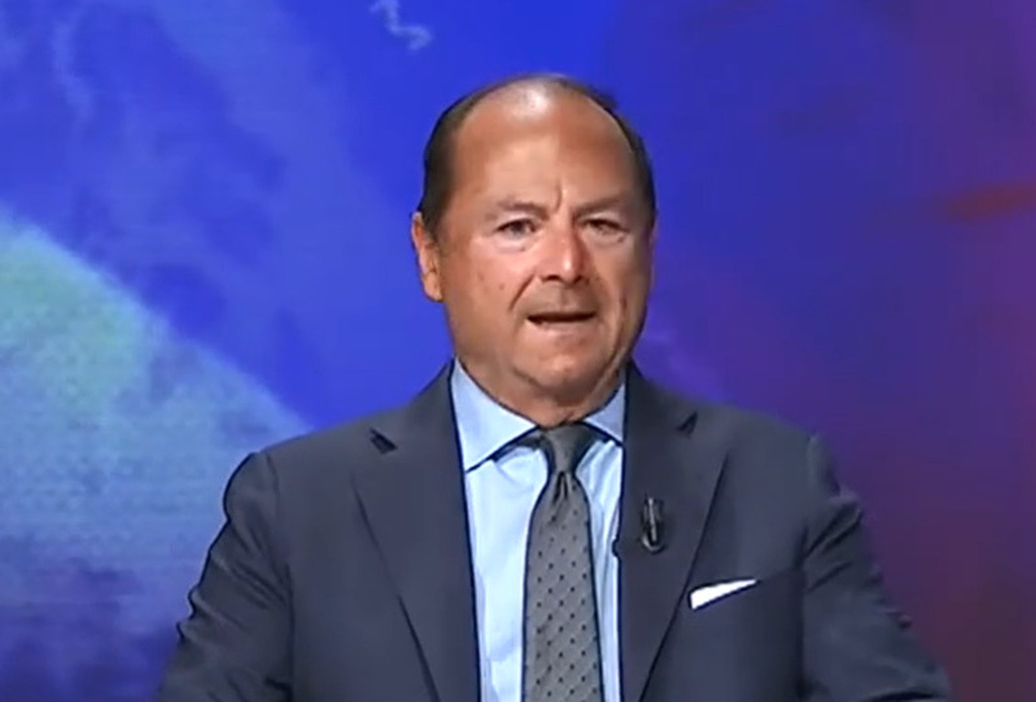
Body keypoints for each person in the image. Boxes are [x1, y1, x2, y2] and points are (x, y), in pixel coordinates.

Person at [152, 73, 954, 702]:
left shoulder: (778, 484)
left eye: (602, 225)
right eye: (518, 227)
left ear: (648, 250)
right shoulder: (295, 508)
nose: (566, 266)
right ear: (431, 255)